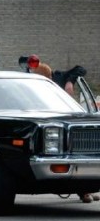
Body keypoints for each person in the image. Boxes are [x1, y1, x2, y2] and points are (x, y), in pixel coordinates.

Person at [33, 63, 100, 203]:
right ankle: (83, 191)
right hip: (52, 124)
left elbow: (81, 69)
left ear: (51, 77)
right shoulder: (33, 87)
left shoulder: (59, 77)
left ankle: (85, 192)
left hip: (66, 119)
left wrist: (70, 81)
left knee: (79, 155)